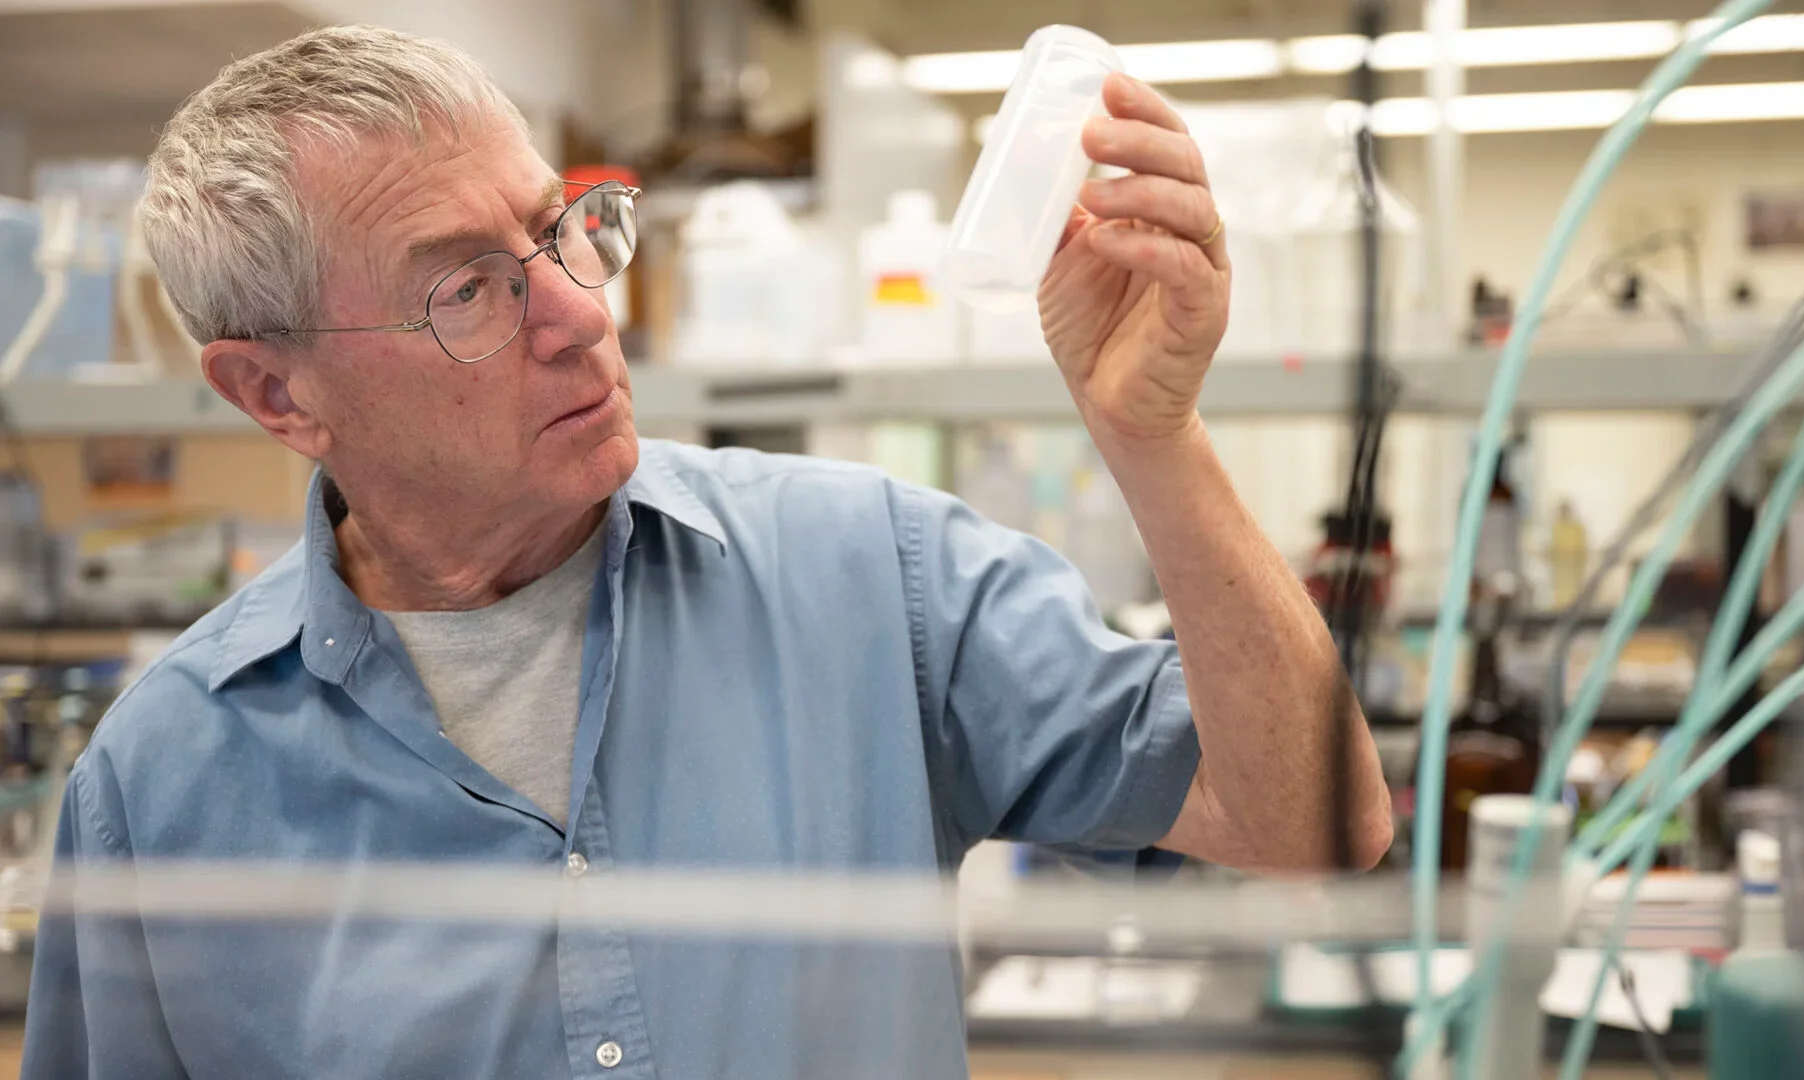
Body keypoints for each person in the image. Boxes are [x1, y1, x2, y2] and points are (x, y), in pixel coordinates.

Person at [21, 25, 1390, 1080]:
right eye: (464, 288)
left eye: (557, 231)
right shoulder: (166, 785)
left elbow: (1313, 823)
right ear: (276, 394)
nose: (575, 313)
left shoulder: (872, 578)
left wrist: (1151, 433)